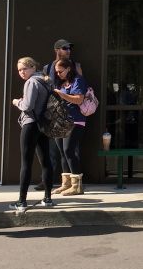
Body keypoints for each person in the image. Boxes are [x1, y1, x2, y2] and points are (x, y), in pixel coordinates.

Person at [10, 57, 55, 214]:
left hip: (30, 124)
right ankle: (48, 198)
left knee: (26, 162)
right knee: (46, 161)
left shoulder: (31, 82)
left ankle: (22, 201)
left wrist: (16, 102)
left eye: (24, 69)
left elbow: (27, 106)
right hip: (43, 124)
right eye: (19, 70)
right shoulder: (46, 81)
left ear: (32, 67)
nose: (21, 72)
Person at [38, 39, 82, 191]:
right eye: (65, 48)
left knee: (71, 149)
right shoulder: (47, 67)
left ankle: (76, 184)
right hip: (54, 114)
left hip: (71, 114)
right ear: (57, 50)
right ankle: (49, 181)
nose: (68, 50)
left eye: (69, 48)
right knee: (53, 150)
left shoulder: (75, 66)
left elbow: (80, 86)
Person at [51, 58, 88, 197]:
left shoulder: (78, 80)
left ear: (69, 69)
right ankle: (66, 184)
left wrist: (62, 94)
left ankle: (77, 186)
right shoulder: (61, 82)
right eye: (57, 72)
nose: (58, 74)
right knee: (62, 151)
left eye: (60, 71)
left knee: (69, 150)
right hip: (61, 121)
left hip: (76, 121)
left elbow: (79, 99)